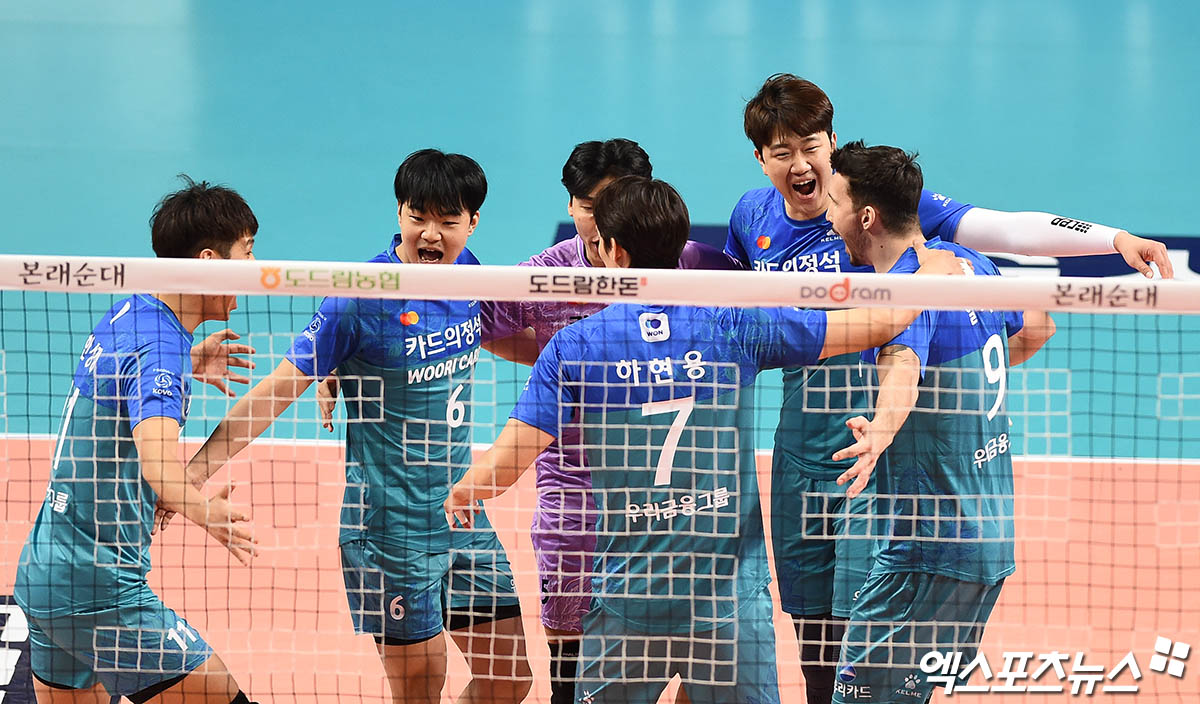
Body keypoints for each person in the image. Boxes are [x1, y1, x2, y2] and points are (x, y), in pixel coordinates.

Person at [725, 73, 1166, 704]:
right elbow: (732, 314)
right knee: (812, 626)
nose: (801, 165)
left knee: (865, 625)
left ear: (832, 142)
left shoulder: (882, 207)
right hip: (800, 448)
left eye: (811, 146)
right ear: (761, 158)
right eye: (782, 152)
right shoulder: (751, 218)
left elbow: (1009, 231)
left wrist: (1113, 240)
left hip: (877, 450)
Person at [445, 175, 964, 704]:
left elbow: (502, 469)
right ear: (680, 246)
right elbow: (878, 324)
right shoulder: (734, 322)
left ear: (613, 251)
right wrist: (928, 275)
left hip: (630, 602)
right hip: (730, 606)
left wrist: (465, 489)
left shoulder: (574, 347)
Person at [186, 150, 532, 704]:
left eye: (448, 221)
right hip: (388, 528)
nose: (431, 234)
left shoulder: (470, 275)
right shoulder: (359, 298)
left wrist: (579, 363)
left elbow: (501, 338)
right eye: (418, 217)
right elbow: (276, 392)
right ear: (399, 213)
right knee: (421, 691)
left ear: (472, 222)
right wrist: (191, 473)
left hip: (461, 513)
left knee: (510, 679)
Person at [477, 138, 740, 704]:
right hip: (575, 492)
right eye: (588, 206)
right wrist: (549, 357)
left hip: (675, 498)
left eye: (613, 203)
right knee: (572, 668)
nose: (599, 221)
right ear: (571, 205)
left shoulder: (693, 263)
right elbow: (471, 322)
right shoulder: (544, 274)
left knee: (701, 659)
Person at [14, 177, 261, 704]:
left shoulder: (134, 310)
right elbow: (159, 469)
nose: (257, 267)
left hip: (44, 574)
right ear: (211, 262)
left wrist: (186, 362)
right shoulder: (160, 350)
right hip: (101, 592)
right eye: (248, 252)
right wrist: (206, 512)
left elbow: (125, 373)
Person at [824, 141, 1054, 703]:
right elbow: (1037, 327)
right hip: (991, 544)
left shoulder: (906, 289)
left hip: (926, 552)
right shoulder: (968, 262)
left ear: (867, 217)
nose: (828, 219)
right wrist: (958, 388)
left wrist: (880, 431)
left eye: (835, 204)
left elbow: (902, 366)